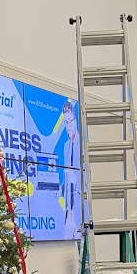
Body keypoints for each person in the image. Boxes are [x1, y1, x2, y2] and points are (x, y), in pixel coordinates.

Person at [61, 100, 81, 239]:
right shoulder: (66, 146)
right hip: (69, 211)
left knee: (83, 248)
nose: (68, 125)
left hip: (80, 210)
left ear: (75, 120)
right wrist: (58, 190)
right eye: (66, 122)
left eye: (70, 121)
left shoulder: (83, 145)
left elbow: (88, 179)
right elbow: (67, 181)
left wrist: (76, 180)